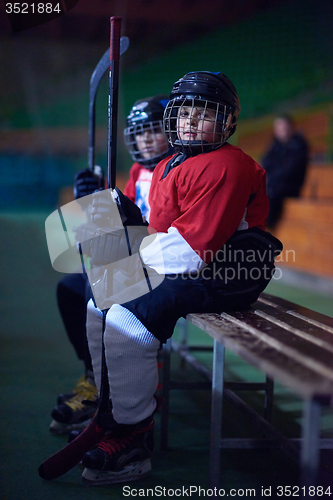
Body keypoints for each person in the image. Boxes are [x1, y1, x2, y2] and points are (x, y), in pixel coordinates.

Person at [80, 71, 283, 486]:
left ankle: (133, 436)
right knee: (97, 301)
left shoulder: (226, 164)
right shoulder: (175, 162)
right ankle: (113, 409)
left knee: (126, 316)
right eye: (185, 111)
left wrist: (131, 253)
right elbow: (163, 233)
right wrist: (125, 218)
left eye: (204, 112)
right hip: (194, 263)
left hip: (229, 272)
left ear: (227, 123)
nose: (191, 120)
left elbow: (191, 251)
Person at [49, 95, 171, 435]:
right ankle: (94, 380)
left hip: (159, 263)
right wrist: (94, 200)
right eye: (139, 132)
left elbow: (147, 229)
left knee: (96, 287)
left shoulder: (170, 169)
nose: (145, 139)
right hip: (138, 257)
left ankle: (110, 397)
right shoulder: (137, 171)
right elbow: (121, 222)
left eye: (154, 130)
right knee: (71, 287)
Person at [261, 114, 309, 229]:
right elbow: (266, 162)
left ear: (291, 128)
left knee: (271, 192)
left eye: (284, 128)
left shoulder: (299, 145)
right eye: (278, 129)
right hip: (275, 184)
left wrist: (271, 178)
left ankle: (266, 227)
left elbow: (290, 170)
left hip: (290, 186)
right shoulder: (275, 145)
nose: (281, 131)